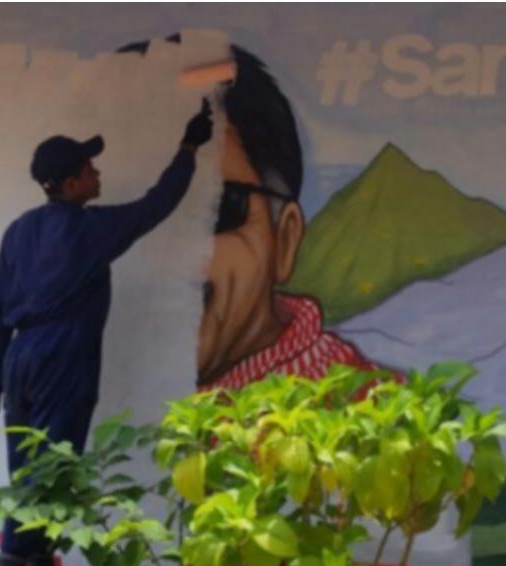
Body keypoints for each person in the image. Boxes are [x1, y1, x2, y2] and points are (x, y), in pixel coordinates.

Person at [0, 102, 214, 566]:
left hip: (20, 357)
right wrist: (188, 147)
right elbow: (158, 204)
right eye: (88, 169)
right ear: (67, 184)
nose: (97, 173)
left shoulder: (20, 230)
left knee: (28, 466)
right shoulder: (90, 232)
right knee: (48, 472)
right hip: (63, 356)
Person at [118, 37, 380, 390]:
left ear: (284, 240)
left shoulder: (360, 422)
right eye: (118, 210)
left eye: (214, 209)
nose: (164, 249)